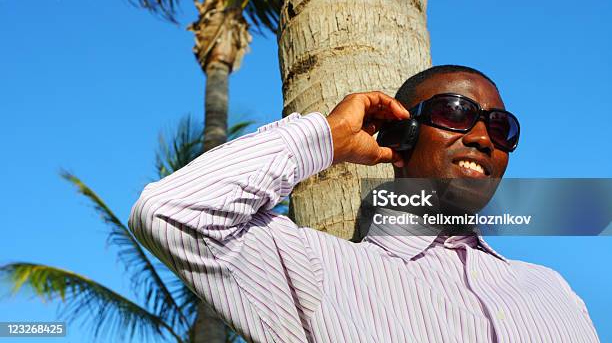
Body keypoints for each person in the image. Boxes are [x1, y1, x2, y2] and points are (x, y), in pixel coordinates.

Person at [128, 65, 599, 342]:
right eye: (456, 113)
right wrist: (327, 139)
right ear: (401, 135)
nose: (481, 138)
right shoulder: (316, 272)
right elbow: (173, 211)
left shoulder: (552, 290)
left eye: (501, 128)